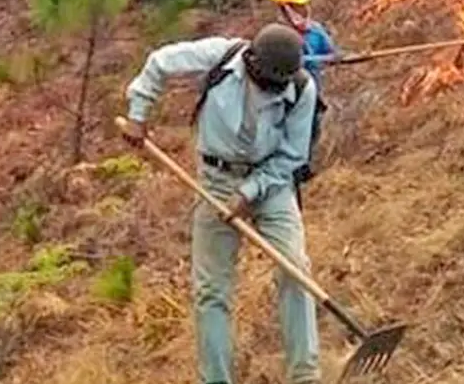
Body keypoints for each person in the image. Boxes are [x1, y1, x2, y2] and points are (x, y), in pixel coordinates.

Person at [121, 23, 320, 384]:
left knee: (296, 269)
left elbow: (293, 155)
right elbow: (160, 61)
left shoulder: (302, 88)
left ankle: (304, 375)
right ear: (252, 64)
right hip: (215, 181)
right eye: (268, 83)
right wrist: (138, 113)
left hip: (271, 183)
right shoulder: (220, 56)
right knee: (212, 290)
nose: (274, 91)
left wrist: (251, 192)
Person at [268, 0, 342, 203]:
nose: (302, 8)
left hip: (311, 93)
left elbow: (332, 53)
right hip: (283, 95)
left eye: (302, 4)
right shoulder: (275, 36)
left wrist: (336, 57)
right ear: (284, 8)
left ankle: (301, 168)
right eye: (296, 5)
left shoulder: (315, 31)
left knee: (311, 129)